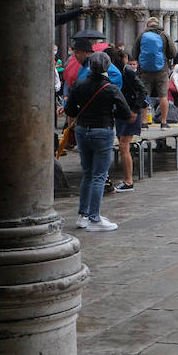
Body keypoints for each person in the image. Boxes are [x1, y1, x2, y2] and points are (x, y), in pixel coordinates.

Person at [64, 50, 131, 231]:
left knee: (87, 173)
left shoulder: (79, 84)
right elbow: (125, 113)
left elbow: (70, 110)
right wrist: (110, 111)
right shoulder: (110, 88)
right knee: (99, 175)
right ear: (107, 67)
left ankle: (82, 215)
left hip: (82, 131)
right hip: (102, 130)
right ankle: (94, 218)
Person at [108, 49, 147, 192]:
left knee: (124, 146)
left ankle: (129, 181)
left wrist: (135, 110)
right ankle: (127, 180)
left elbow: (143, 90)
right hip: (121, 111)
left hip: (130, 112)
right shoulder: (115, 73)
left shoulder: (126, 71)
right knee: (123, 146)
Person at [137, 17, 176, 129]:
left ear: (148, 25)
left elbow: (135, 53)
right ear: (158, 24)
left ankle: (144, 122)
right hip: (162, 70)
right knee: (163, 96)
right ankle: (163, 122)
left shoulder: (142, 35)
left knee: (144, 95)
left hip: (145, 71)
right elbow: (173, 53)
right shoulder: (164, 35)